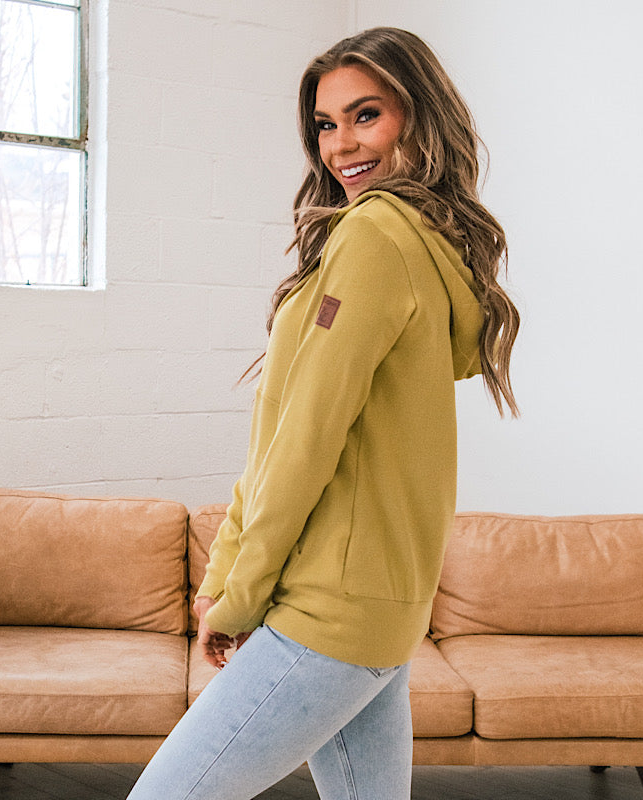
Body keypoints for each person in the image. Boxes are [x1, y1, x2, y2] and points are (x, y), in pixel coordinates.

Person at [127, 26, 519, 800]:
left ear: (419, 114)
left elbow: (304, 441)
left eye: (366, 114)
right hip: (380, 609)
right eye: (326, 124)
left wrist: (240, 592)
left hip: (328, 610)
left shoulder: (373, 237)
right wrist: (227, 571)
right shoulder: (423, 243)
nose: (341, 145)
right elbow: (283, 435)